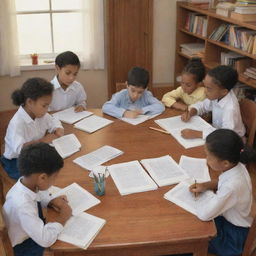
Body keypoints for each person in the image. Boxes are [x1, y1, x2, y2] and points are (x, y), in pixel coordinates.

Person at [189, 129, 256, 256]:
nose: (206, 159)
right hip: (229, 220)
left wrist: (198, 200)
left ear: (225, 163)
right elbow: (222, 183)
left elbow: (204, 214)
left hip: (233, 236)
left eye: (208, 156)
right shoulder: (238, 165)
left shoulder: (232, 186)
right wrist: (206, 185)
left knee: (188, 244)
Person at [3, 143, 72, 256]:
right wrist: (63, 217)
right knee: (59, 250)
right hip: (22, 246)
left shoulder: (26, 182)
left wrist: (51, 200)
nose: (55, 180)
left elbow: (38, 195)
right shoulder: (23, 205)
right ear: (43, 178)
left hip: (29, 232)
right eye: (55, 177)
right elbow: (45, 240)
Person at [1, 78, 64, 180]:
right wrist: (43, 141)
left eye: (48, 106)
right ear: (30, 102)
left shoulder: (41, 114)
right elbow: (20, 149)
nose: (47, 109)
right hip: (16, 161)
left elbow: (53, 120)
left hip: (34, 155)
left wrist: (57, 128)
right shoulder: (17, 122)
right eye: (44, 106)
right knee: (40, 178)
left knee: (57, 167)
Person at [180, 65, 245, 139]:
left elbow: (225, 134)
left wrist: (197, 134)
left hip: (231, 141)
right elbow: (203, 105)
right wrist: (191, 112)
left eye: (208, 89)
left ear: (224, 91)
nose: (205, 91)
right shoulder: (217, 95)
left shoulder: (230, 109)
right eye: (205, 87)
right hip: (216, 132)